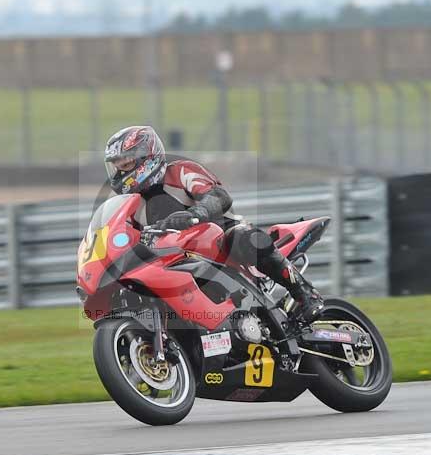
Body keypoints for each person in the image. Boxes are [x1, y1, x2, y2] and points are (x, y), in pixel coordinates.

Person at [103, 125, 324, 323]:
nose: (122, 171)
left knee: (244, 236)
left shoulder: (180, 171)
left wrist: (197, 212)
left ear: (147, 156)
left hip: (218, 242)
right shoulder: (130, 204)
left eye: (127, 163)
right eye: (117, 166)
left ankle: (305, 292)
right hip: (172, 261)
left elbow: (218, 195)